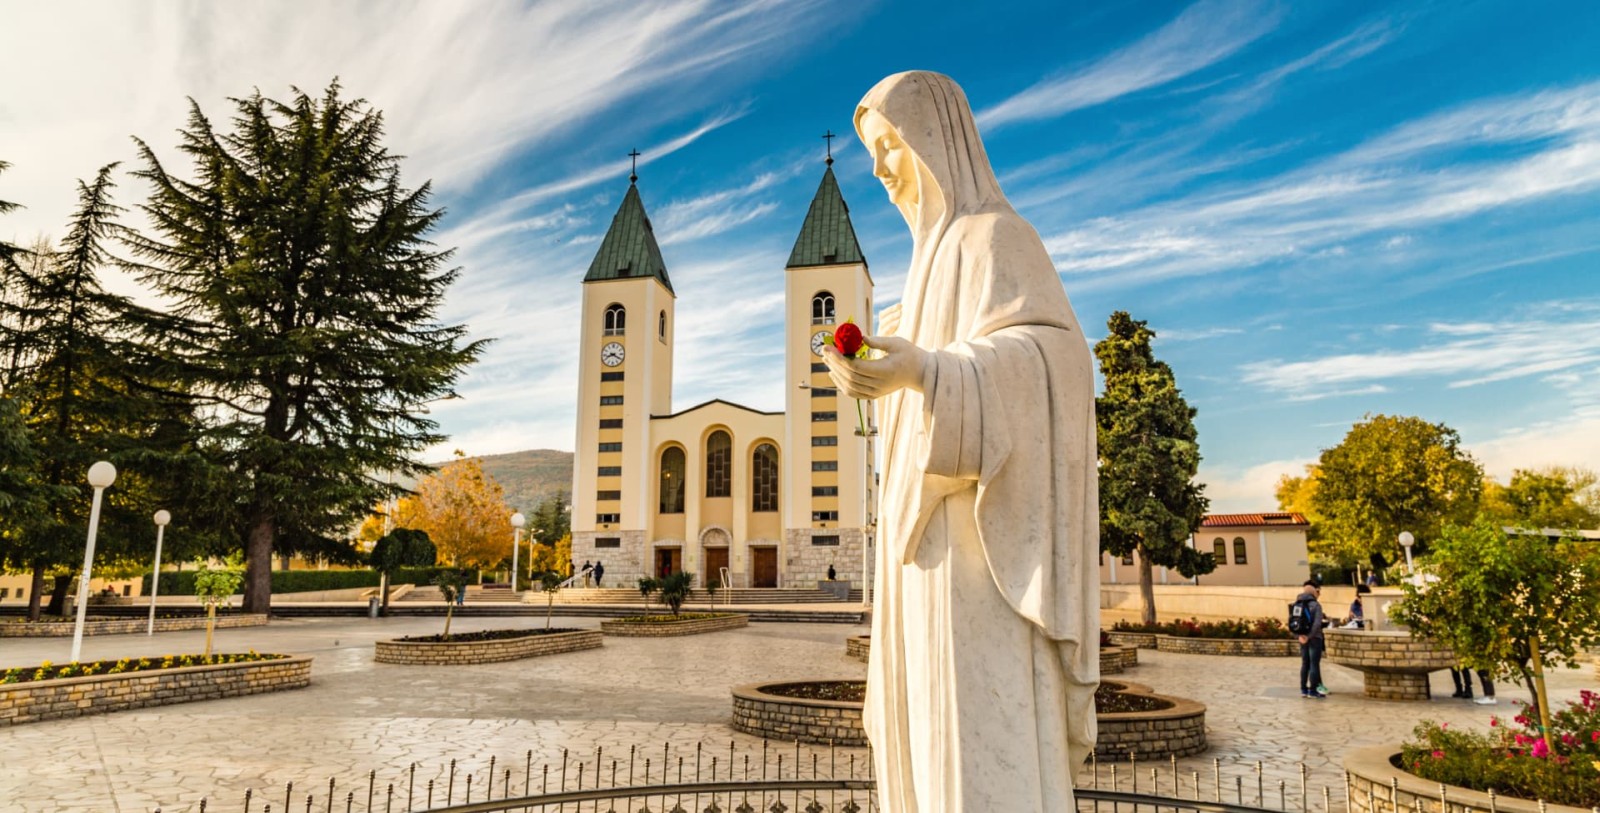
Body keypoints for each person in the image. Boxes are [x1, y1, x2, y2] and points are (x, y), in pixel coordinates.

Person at [825, 71, 1099, 812]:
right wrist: (880, 378)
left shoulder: (998, 239)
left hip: (980, 552)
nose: (881, 167)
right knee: (926, 737)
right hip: (918, 555)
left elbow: (1060, 364)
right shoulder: (916, 276)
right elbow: (917, 394)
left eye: (889, 145)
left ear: (935, 141)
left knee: (977, 740)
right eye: (873, 153)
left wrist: (928, 370)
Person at [1293, 580, 1327, 698]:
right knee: (1314, 664)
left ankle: (1303, 689)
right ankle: (1313, 690)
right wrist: (1309, 636)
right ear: (1313, 592)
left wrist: (1300, 636)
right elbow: (1317, 623)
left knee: (1305, 663)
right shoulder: (1316, 605)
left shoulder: (1296, 604)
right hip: (1315, 638)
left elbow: (1293, 623)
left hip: (1302, 639)